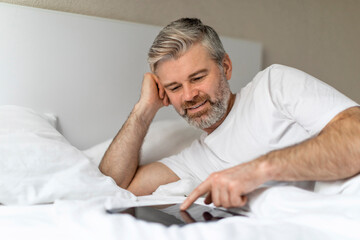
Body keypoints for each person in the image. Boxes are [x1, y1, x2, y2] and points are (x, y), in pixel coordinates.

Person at [99, 18, 360, 211]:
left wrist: (256, 170)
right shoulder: (195, 159)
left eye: (198, 77)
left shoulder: (272, 86)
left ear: (225, 66)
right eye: (175, 87)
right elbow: (111, 187)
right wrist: (144, 109)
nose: (189, 95)